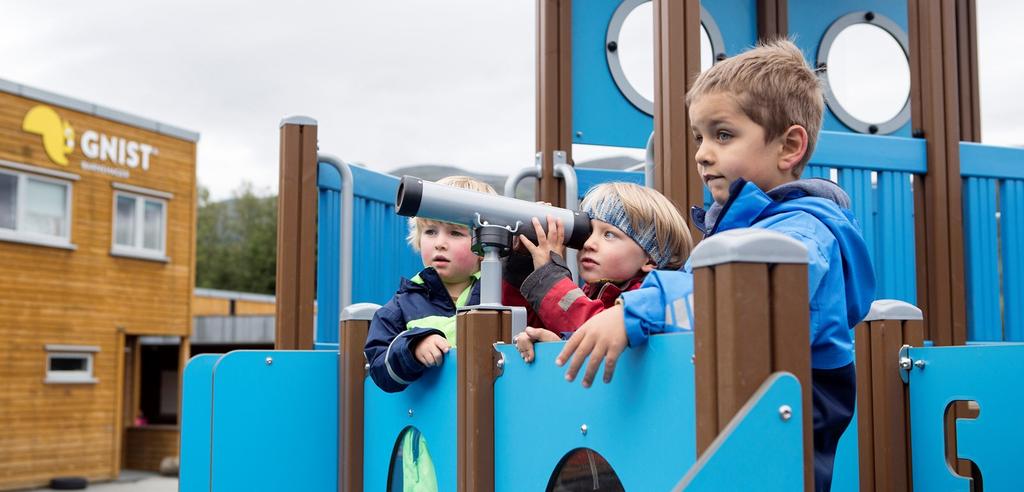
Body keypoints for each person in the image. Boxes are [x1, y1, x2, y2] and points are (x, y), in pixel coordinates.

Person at [554, 39, 875, 492]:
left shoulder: (801, 236)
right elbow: (687, 315)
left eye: (723, 135)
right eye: (699, 137)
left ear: (789, 146)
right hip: (725, 438)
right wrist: (572, 340)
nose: (703, 152)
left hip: (773, 458)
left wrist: (632, 312)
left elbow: (740, 299)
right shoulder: (732, 235)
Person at [363, 175, 497, 492]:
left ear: (485, 243)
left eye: (455, 232)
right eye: (430, 231)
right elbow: (379, 366)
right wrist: (412, 345)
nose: (440, 242)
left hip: (489, 431)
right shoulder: (404, 304)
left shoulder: (497, 294)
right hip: (428, 441)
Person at [506, 182, 692, 363]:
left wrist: (548, 278)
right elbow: (532, 322)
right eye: (588, 233)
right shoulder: (591, 294)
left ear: (650, 259)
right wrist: (523, 266)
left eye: (609, 234)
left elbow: (598, 328)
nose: (588, 244)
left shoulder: (647, 301)